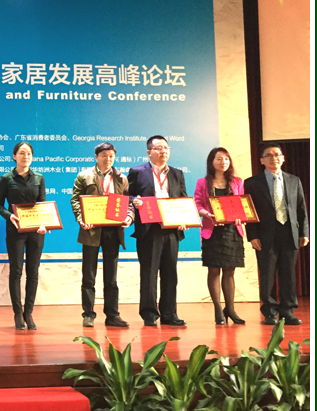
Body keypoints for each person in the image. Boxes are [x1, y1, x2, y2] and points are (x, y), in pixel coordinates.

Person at [244, 142, 309, 325]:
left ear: (283, 158)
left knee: (289, 275)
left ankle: (288, 311)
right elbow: (249, 212)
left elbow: (302, 209)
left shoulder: (294, 180)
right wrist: (253, 236)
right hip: (265, 235)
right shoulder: (251, 183)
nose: (274, 158)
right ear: (262, 160)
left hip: (290, 233)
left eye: (277, 154)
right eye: (269, 155)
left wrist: (304, 232)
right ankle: (270, 312)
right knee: (267, 275)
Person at [70, 142, 133, 329]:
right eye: (104, 155)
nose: (108, 159)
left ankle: (112, 315)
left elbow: (128, 202)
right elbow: (75, 200)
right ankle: (88, 314)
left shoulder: (121, 178)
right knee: (88, 276)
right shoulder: (84, 176)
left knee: (111, 277)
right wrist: (81, 219)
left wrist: (128, 217)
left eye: (111, 156)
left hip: (113, 231)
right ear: (96, 157)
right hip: (91, 230)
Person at [128, 135, 188, 327]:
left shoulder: (177, 173)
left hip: (171, 229)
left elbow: (183, 198)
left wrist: (184, 219)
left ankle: (169, 313)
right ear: (149, 152)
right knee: (149, 273)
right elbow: (126, 195)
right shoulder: (137, 172)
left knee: (170, 273)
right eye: (158, 148)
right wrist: (134, 201)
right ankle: (149, 313)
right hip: (149, 230)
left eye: (166, 148)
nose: (163, 151)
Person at [0, 142, 47, 330]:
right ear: (14, 156)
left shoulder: (39, 178)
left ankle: (29, 312)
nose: (26, 157)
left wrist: (44, 223)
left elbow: (42, 204)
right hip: (15, 230)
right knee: (16, 271)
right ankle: (17, 312)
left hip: (36, 231)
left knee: (33, 272)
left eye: (29, 154)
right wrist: (9, 216)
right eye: (22, 153)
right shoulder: (6, 178)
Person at [194, 148, 246, 325]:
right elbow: (197, 203)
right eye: (219, 159)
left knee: (230, 271)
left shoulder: (237, 181)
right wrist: (206, 214)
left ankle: (230, 309)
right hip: (212, 231)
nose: (223, 162)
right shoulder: (203, 182)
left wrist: (240, 216)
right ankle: (218, 308)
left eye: (226, 159)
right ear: (212, 162)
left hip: (232, 231)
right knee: (214, 270)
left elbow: (241, 204)